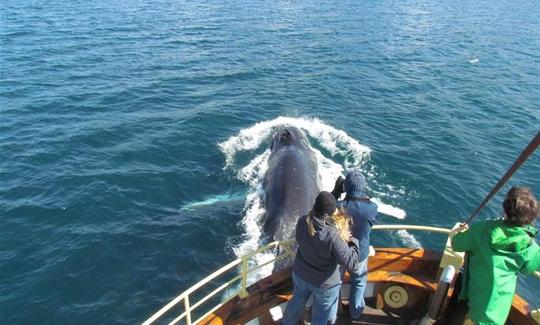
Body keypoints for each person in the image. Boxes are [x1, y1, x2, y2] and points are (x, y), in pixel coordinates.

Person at [451, 186, 540, 325]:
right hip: (499, 306)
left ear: (505, 210)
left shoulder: (482, 229)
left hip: (477, 298)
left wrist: (457, 232)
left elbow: (457, 244)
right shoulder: (531, 246)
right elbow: (528, 268)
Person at [282, 191, 360, 325]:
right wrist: (352, 241)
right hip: (324, 284)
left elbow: (299, 240)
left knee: (296, 302)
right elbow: (352, 265)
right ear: (330, 213)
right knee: (320, 315)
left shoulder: (302, 221)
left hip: (301, 274)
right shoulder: (333, 235)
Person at [331, 171, 378, 320]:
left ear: (346, 188)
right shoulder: (372, 208)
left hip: (341, 254)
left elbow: (322, 211)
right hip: (360, 254)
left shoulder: (338, 207)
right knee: (358, 282)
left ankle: (335, 313)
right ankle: (355, 313)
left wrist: (336, 192)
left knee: (335, 284)